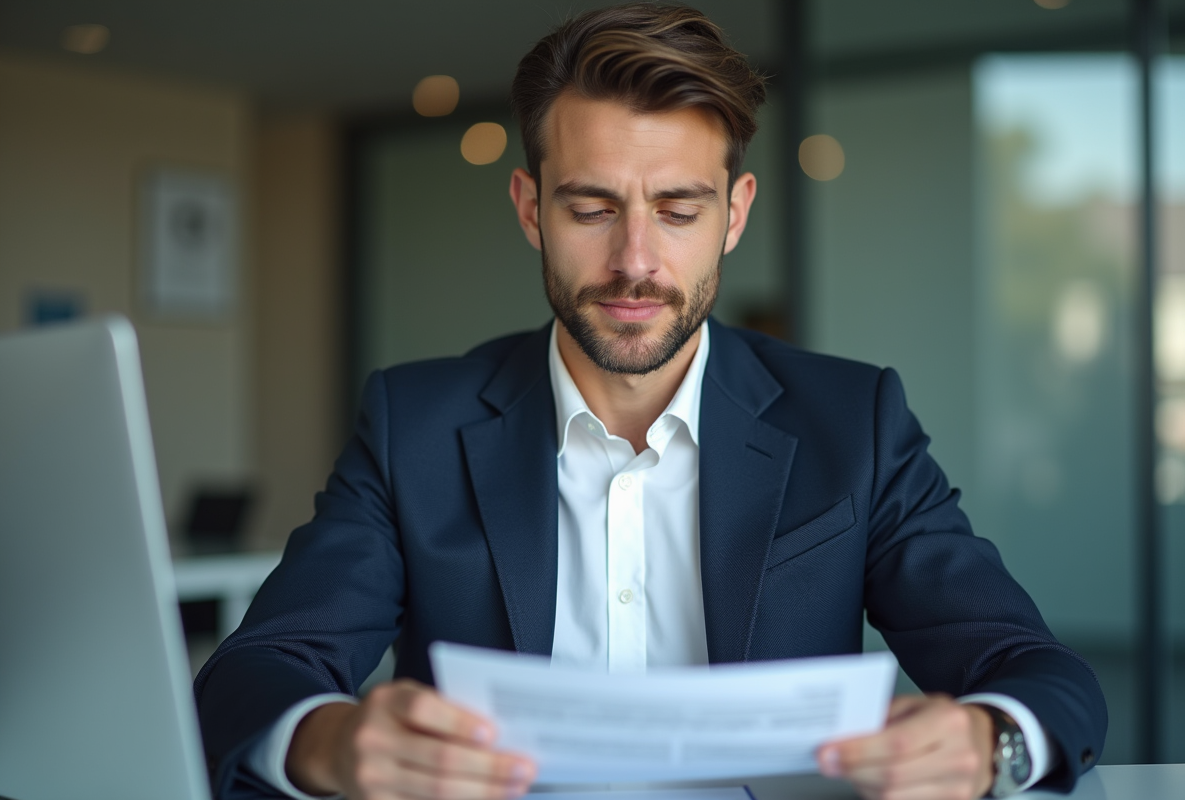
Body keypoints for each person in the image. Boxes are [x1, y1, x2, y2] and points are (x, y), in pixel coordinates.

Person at [194, 5, 1107, 800]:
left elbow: (1035, 670)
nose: (635, 262)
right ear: (530, 208)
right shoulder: (414, 426)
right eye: (592, 209)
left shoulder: (853, 421)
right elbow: (257, 671)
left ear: (735, 214)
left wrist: (988, 741)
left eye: (678, 210)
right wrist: (333, 742)